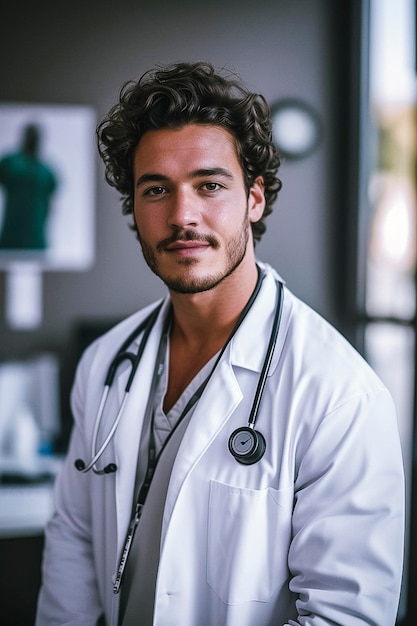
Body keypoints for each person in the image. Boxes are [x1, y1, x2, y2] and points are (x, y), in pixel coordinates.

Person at [36, 61, 405, 626]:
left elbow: (342, 616)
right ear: (134, 209)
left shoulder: (341, 396)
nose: (182, 215)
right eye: (156, 189)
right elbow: (74, 542)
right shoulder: (106, 363)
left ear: (254, 199)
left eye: (209, 185)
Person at [0, 123, 58, 250]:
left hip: (35, 239)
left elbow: (50, 205)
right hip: (11, 238)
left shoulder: (46, 172)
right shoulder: (10, 164)